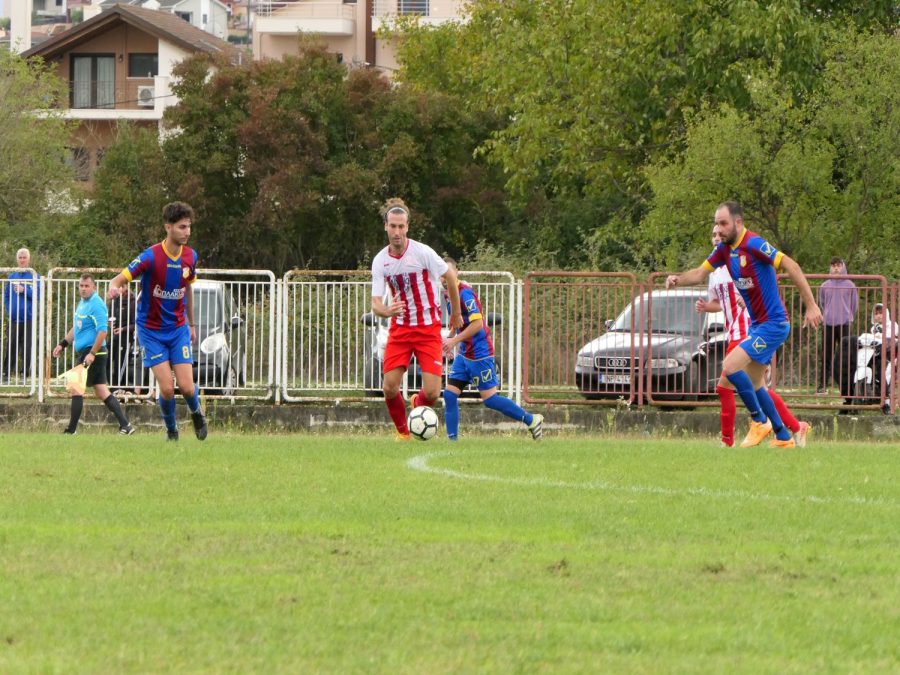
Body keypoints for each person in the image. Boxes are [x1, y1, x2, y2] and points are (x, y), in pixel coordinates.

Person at [666, 201, 822, 448]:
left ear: (738, 223)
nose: (719, 229)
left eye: (724, 223)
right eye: (717, 223)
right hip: (758, 326)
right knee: (757, 383)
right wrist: (677, 278)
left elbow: (792, 265)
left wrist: (811, 305)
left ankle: (759, 420)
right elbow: (698, 273)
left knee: (729, 365)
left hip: (773, 324)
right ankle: (785, 436)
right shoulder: (724, 252)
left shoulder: (755, 244)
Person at [695, 226, 810, 447]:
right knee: (757, 384)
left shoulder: (737, 260)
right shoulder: (716, 269)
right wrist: (706, 306)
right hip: (733, 331)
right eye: (713, 235)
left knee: (725, 384)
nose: (717, 238)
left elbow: (756, 288)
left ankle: (743, 431)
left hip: (748, 329)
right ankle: (790, 430)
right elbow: (719, 304)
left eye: (721, 234)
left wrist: (745, 299)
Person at [106, 201, 208, 442]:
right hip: (151, 331)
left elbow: (188, 289)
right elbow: (119, 279)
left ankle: (196, 412)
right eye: (182, 227)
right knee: (166, 388)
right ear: (168, 227)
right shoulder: (150, 256)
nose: (187, 232)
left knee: (187, 387)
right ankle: (172, 430)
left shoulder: (190, 257)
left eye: (189, 227)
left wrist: (191, 325)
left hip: (177, 329)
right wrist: (113, 288)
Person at [371, 198, 463, 440]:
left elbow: (451, 278)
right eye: (393, 226)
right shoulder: (381, 261)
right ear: (386, 227)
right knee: (389, 387)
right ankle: (403, 434)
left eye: (401, 226)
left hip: (428, 329)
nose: (397, 232)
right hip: (400, 330)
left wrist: (455, 312)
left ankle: (417, 403)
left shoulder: (423, 252)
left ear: (408, 227)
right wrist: (387, 311)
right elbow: (376, 304)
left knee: (432, 394)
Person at [440, 258, 544, 441]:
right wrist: (450, 338)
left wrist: (454, 341)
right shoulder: (449, 293)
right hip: (465, 354)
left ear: (457, 272)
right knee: (449, 395)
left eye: (449, 272)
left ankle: (531, 420)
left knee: (490, 399)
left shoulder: (465, 294)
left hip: (479, 354)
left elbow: (478, 324)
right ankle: (452, 441)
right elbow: (459, 320)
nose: (445, 276)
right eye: (442, 273)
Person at [52, 274, 135, 435]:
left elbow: (103, 331)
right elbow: (77, 328)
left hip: (93, 352)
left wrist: (92, 353)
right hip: (89, 352)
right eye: (81, 286)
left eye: (86, 286)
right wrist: (63, 344)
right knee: (101, 390)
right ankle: (126, 426)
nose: (83, 289)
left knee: (76, 388)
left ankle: (71, 430)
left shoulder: (97, 304)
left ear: (94, 287)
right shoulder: (82, 303)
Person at [817, 257, 858, 393]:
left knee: (846, 356)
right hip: (828, 324)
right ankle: (822, 385)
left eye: (838, 265)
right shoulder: (824, 285)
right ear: (830, 267)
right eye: (833, 265)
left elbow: (854, 305)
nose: (836, 268)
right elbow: (822, 303)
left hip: (844, 324)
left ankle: (846, 386)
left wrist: (847, 316)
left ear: (843, 267)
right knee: (826, 355)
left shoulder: (850, 285)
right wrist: (828, 315)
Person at [3, 247, 39, 382]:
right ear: (17, 260)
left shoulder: (35, 276)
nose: (22, 260)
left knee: (27, 347)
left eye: (24, 258)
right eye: (20, 258)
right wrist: (9, 309)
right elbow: (6, 295)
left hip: (29, 319)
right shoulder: (12, 276)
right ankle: (6, 374)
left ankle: (24, 374)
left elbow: (38, 295)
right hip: (14, 318)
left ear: (29, 259)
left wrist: (25, 290)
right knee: (11, 345)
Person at [107, 284, 137, 390]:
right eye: (118, 286)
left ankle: (118, 389)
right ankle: (111, 386)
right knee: (106, 358)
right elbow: (109, 316)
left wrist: (123, 329)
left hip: (126, 338)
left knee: (120, 365)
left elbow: (135, 324)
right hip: (114, 336)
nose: (118, 289)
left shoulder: (133, 302)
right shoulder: (114, 301)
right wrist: (109, 323)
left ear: (126, 288)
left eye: (121, 286)